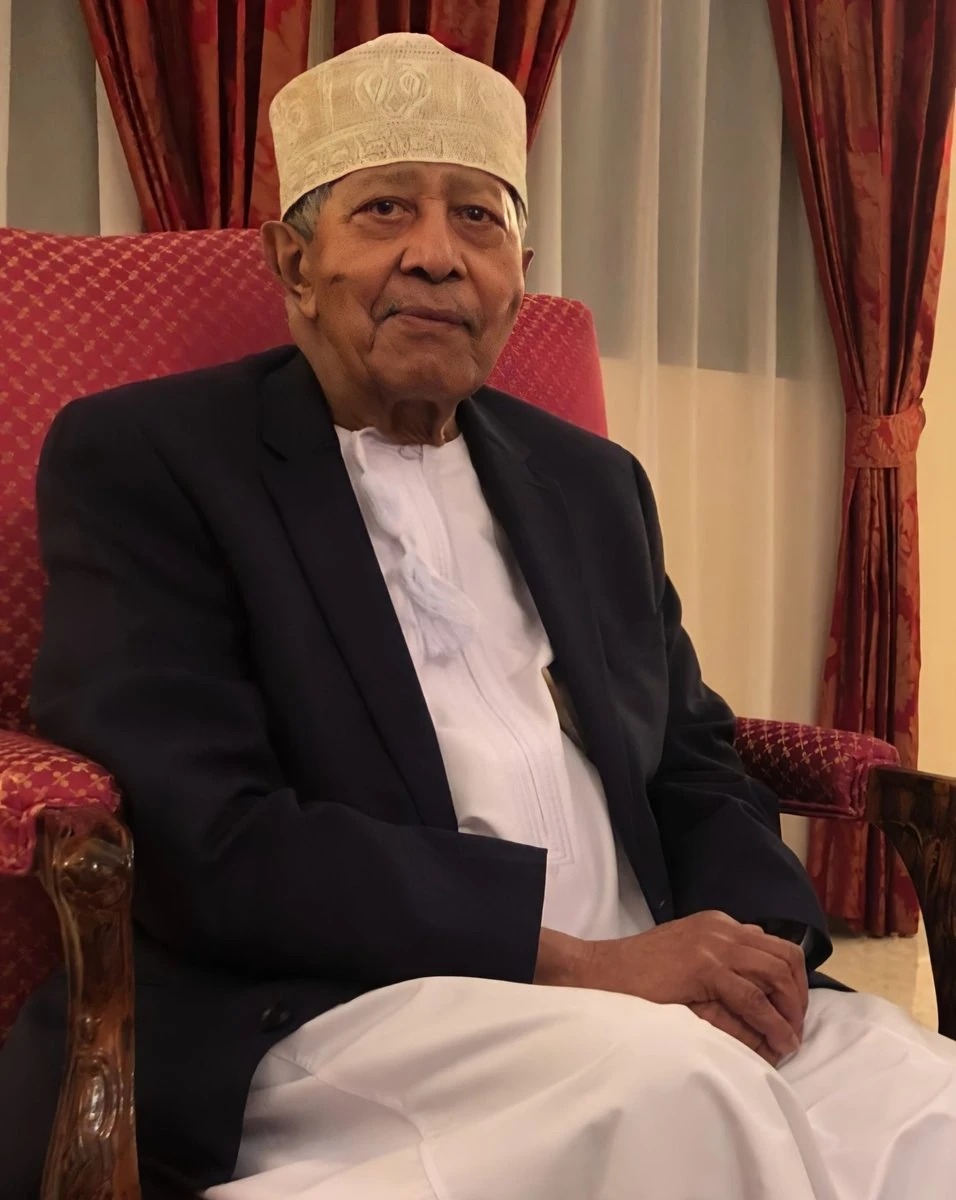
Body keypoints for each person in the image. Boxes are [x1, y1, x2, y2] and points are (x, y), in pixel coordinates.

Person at [2, 31, 955, 1200]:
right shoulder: (153, 459)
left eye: (477, 218)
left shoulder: (590, 484)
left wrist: (756, 953)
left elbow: (690, 759)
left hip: (652, 993)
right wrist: (581, 965)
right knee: (673, 1096)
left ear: (519, 272)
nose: (437, 255)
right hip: (341, 1010)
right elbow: (208, 838)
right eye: (385, 209)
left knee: (928, 1104)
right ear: (292, 260)